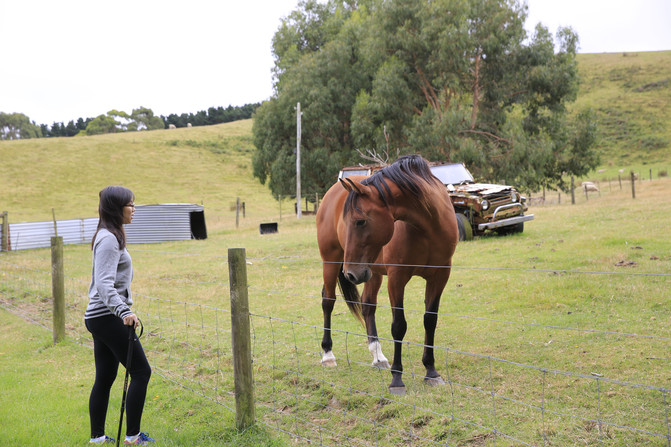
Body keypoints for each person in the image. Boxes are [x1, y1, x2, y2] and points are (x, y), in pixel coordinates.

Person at [85, 186, 154, 445]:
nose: (134, 209)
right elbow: (104, 284)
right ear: (116, 208)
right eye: (130, 204)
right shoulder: (109, 239)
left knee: (105, 377)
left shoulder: (108, 234)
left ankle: (98, 439)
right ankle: (134, 437)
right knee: (141, 372)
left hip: (99, 317)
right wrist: (124, 311)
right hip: (108, 316)